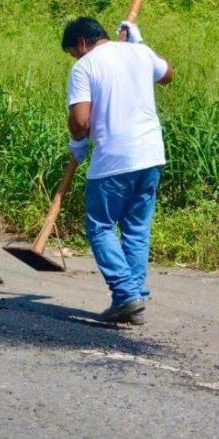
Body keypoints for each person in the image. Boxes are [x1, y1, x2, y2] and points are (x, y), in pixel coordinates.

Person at [62, 17, 173, 326]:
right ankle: (132, 299)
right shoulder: (139, 52)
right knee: (136, 229)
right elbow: (168, 75)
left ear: (82, 43)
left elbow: (81, 121)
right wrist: (140, 44)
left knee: (100, 226)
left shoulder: (85, 67)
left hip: (114, 160)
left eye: (74, 51)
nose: (75, 57)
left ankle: (126, 296)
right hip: (150, 156)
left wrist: (76, 140)